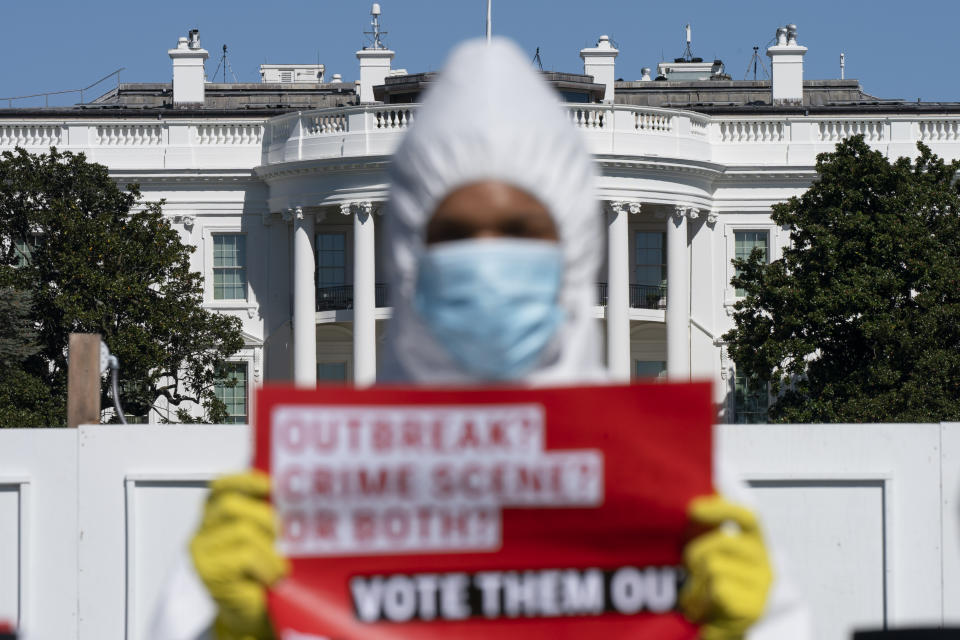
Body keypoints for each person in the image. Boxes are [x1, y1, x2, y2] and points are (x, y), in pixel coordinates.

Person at [151, 38, 810, 640]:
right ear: (407, 250)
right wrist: (225, 631)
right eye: (457, 233)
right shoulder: (297, 496)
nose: (490, 258)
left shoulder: (682, 491)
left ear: (576, 250)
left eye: (522, 231)